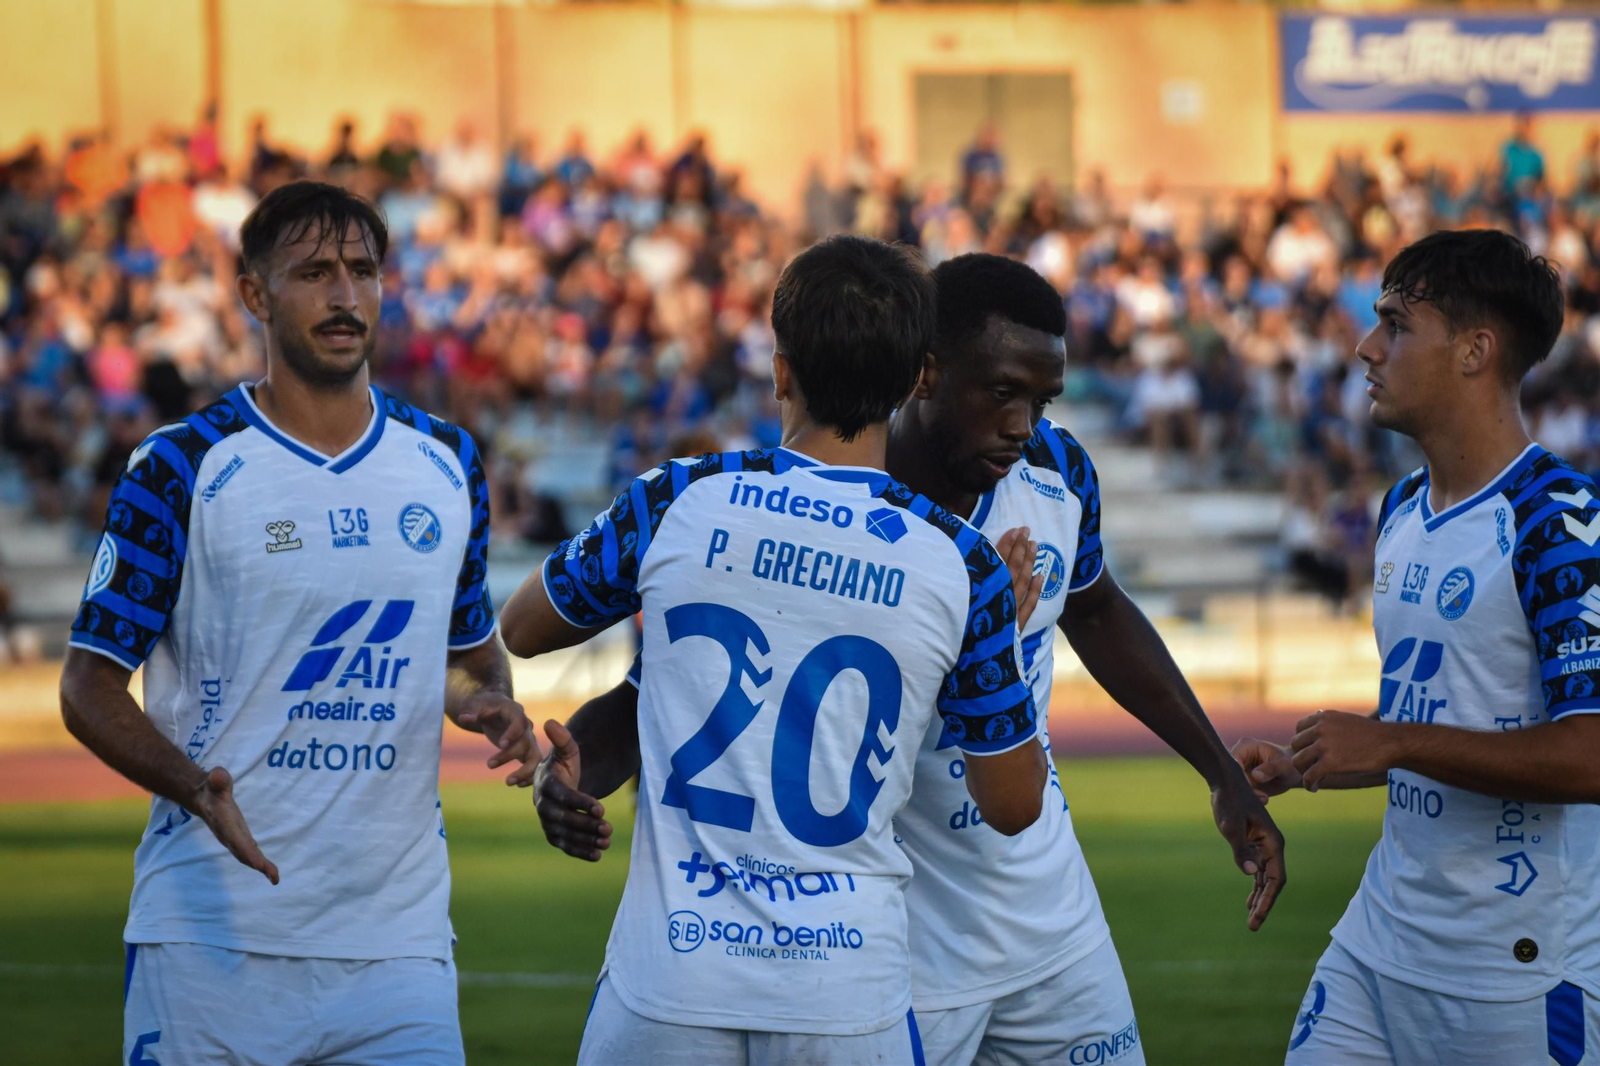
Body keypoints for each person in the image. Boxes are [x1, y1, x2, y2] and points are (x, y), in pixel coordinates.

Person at [529, 254, 1288, 1066]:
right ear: (922, 373)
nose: (1023, 423)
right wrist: (574, 768)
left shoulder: (1059, 472)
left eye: (1042, 399)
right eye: (1001, 392)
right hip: (898, 942)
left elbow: (1100, 611)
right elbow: (662, 691)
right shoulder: (822, 502)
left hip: (1050, 917)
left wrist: (1220, 770)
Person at [497, 236, 1049, 1064]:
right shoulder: (962, 562)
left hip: (670, 984)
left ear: (781, 371)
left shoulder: (678, 498)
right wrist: (996, 641)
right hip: (845, 993)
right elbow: (1014, 802)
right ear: (916, 380)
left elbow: (524, 628)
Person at [58, 180, 537, 1065]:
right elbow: (88, 687)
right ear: (254, 294)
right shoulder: (181, 466)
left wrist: (483, 702)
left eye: (362, 271)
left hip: (398, 948)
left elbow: (469, 659)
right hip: (210, 939)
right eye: (314, 272)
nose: (345, 295)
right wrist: (197, 788)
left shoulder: (447, 461)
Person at [1234, 229, 1600, 1064]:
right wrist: (1315, 758)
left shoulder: (1561, 523)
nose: (1366, 349)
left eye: (1396, 325)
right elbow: (1449, 707)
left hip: (1517, 970)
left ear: (1476, 350)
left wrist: (1392, 743)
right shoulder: (1402, 506)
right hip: (1381, 938)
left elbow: (1592, 754)